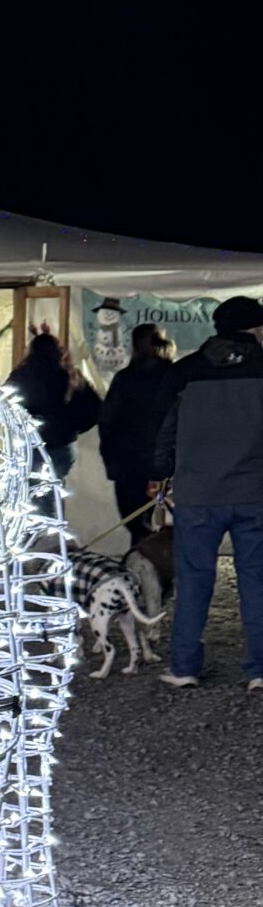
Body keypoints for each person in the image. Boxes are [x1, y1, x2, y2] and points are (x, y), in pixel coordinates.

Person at [149, 293, 263, 692]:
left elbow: (164, 430)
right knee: (257, 580)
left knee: (194, 580)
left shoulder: (185, 371)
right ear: (256, 329)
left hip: (197, 492)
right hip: (256, 492)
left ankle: (183, 667)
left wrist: (159, 475)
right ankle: (259, 670)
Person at [97, 322, 175, 540]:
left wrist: (111, 462)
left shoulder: (125, 378)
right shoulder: (173, 376)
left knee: (135, 522)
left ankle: (141, 563)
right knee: (167, 521)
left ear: (134, 346)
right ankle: (164, 565)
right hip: (168, 460)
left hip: (128, 460)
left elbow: (107, 422)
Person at [6, 328, 102, 498]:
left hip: (32, 445)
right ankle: (53, 521)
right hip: (62, 445)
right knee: (51, 495)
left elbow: (5, 406)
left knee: (34, 497)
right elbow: (95, 409)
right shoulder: (67, 376)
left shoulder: (21, 376)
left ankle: (46, 522)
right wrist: (74, 427)